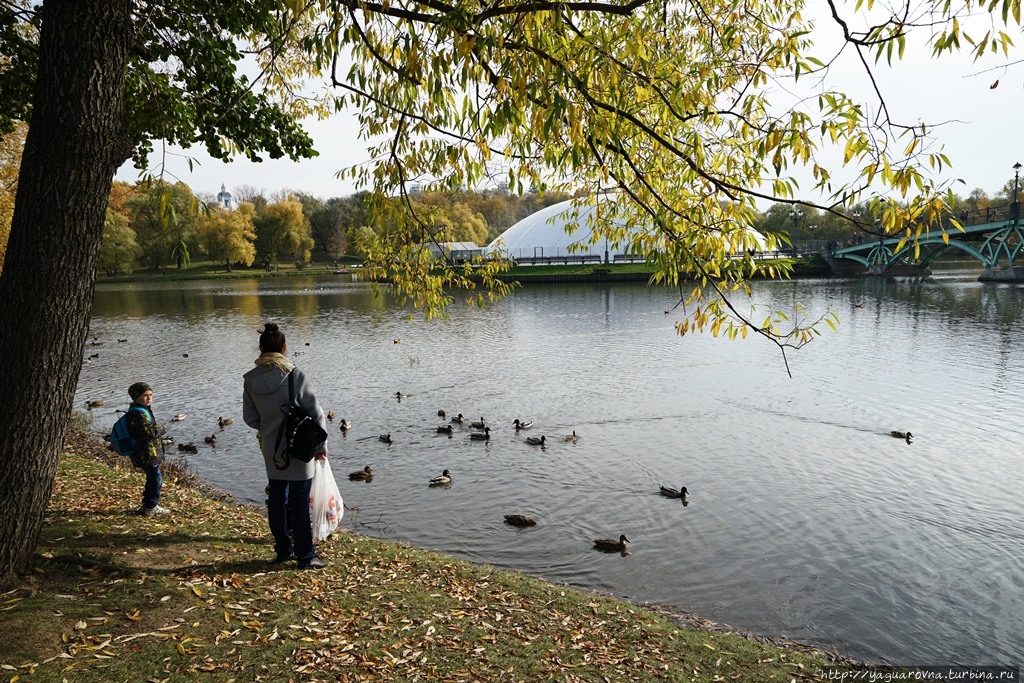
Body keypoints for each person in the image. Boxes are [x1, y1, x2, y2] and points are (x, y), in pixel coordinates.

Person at [242, 323, 329, 570]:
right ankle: (305, 556)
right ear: (284, 348)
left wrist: (270, 429)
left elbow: (250, 418)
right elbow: (316, 413)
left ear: (260, 349)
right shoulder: (295, 375)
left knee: (277, 499)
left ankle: (283, 550)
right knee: (300, 502)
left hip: (271, 447)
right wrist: (321, 445)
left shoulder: (250, 380)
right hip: (299, 446)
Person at [126, 382, 168, 515]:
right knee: (156, 479)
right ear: (136, 397)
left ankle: (148, 504)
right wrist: (163, 427)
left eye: (151, 395)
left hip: (148, 451)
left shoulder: (142, 410)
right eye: (145, 395)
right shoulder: (138, 413)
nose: (149, 398)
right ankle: (151, 506)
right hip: (147, 453)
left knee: (152, 478)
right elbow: (149, 433)